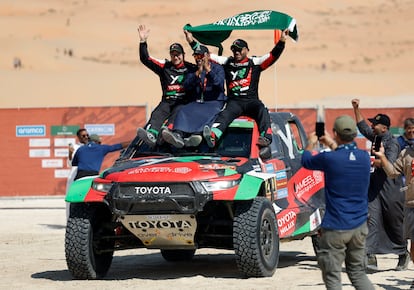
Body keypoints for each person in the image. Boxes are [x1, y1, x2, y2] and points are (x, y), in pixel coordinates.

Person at [302, 115, 374, 290]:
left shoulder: (329, 159)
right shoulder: (364, 158)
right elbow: (345, 155)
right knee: (357, 273)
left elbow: (306, 161)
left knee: (333, 276)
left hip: (336, 226)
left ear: (335, 133)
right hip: (359, 225)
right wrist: (332, 144)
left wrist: (311, 143)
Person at [184, 29, 288, 149]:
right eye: (234, 49)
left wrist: (282, 40)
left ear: (247, 50)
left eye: (239, 49)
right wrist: (191, 40)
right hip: (234, 102)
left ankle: (266, 137)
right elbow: (205, 54)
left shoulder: (255, 62)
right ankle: (212, 136)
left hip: (251, 101)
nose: (236, 52)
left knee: (262, 111)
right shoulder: (227, 62)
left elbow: (272, 56)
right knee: (224, 115)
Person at [351, 98, 408, 271]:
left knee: (394, 222)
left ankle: (403, 254)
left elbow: (388, 164)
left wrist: (366, 160)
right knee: (371, 219)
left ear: (384, 128)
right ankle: (370, 256)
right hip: (374, 187)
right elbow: (362, 127)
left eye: (375, 125)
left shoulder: (392, 143)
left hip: (391, 188)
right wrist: (356, 108)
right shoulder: (376, 137)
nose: (373, 127)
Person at [136, 24, 197, 147]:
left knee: (179, 112)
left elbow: (203, 59)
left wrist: (191, 41)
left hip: (183, 102)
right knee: (157, 113)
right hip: (167, 101)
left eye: (178, 54)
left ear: (183, 55)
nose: (176, 57)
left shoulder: (191, 68)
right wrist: (143, 41)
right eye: (173, 54)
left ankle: (172, 134)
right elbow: (146, 59)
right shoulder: (165, 66)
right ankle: (151, 135)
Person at [162, 44, 226, 148]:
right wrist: (197, 73)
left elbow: (219, 84)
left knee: (210, 113)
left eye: (200, 56)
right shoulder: (193, 70)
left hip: (214, 101)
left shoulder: (218, 68)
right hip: (198, 102)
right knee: (183, 110)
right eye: (196, 57)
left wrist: (209, 71)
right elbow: (186, 85)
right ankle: (178, 134)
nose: (198, 59)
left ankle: (197, 135)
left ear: (207, 56)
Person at [374, 138, 414, 269]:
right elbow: (392, 173)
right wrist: (382, 156)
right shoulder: (406, 153)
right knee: (413, 247)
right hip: (411, 205)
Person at [65, 128, 89, 219]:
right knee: (70, 200)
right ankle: (69, 221)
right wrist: (70, 154)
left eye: (87, 135)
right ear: (78, 137)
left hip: (87, 177)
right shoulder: (74, 147)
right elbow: (70, 164)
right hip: (74, 176)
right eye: (83, 136)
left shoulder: (91, 147)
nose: (86, 137)